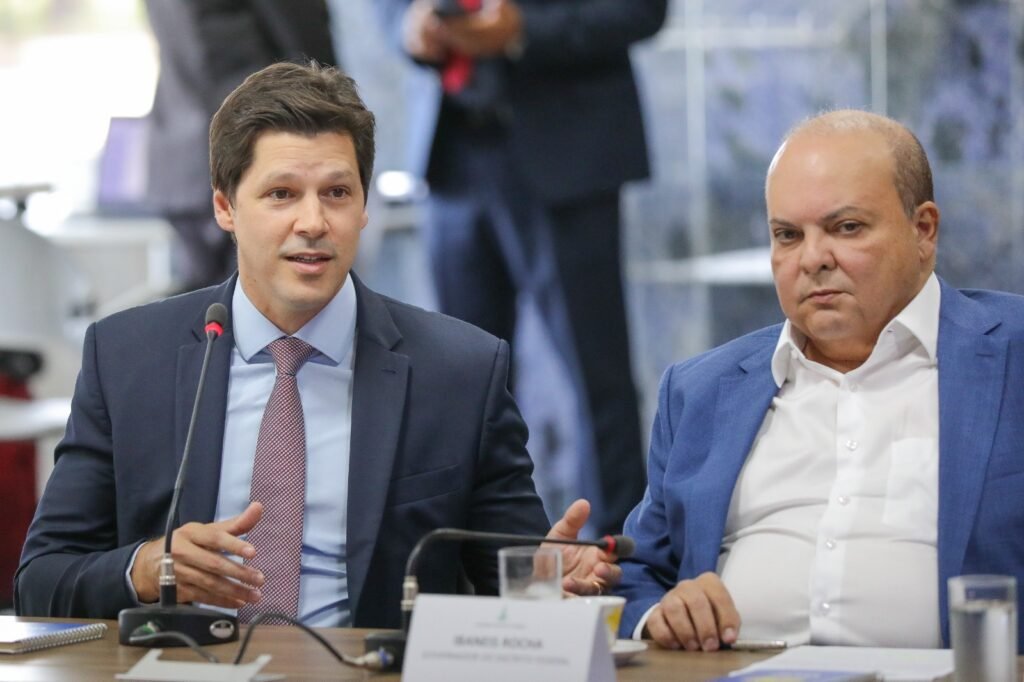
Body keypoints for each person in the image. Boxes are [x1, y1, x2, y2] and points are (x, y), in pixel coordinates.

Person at [15, 61, 619, 628]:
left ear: (363, 207)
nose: (313, 223)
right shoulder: (127, 358)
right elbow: (41, 581)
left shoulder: (460, 371)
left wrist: (549, 581)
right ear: (225, 207)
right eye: (281, 194)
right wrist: (146, 569)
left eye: (337, 193)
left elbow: (513, 578)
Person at [617, 109, 1024, 652]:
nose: (812, 259)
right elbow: (639, 570)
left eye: (845, 227)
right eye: (787, 235)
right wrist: (659, 616)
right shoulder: (700, 390)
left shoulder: (1011, 354)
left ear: (923, 230)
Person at [376, 0, 668, 536]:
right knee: (463, 381)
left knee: (595, 376)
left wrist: (522, 30)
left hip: (568, 153)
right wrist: (407, 26)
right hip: (452, 155)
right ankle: (479, 552)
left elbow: (640, 9)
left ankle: (615, 555)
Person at [145, 0, 337, 290]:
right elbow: (311, 56)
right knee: (271, 303)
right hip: (253, 152)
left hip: (181, 159)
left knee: (212, 305)